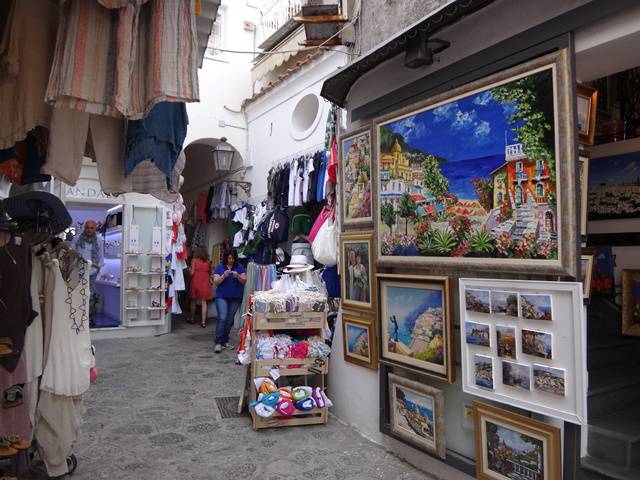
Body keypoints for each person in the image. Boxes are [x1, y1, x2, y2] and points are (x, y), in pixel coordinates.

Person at [212, 248, 246, 353]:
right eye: (229, 258)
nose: (231, 260)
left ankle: (224, 340)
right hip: (221, 296)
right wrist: (224, 276)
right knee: (222, 317)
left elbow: (244, 281)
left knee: (229, 320)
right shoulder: (220, 267)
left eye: (233, 258)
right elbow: (216, 282)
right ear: (226, 257)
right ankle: (218, 342)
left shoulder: (239, 267)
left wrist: (238, 276)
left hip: (235, 297)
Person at [71, 220, 104, 314]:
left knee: (90, 293)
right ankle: (78, 313)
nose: (89, 230)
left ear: (95, 229)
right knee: (79, 292)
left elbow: (101, 256)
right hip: (79, 271)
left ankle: (89, 314)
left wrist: (98, 268)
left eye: (91, 228)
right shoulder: (77, 238)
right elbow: (72, 253)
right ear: (84, 228)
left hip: (93, 271)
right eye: (87, 227)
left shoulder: (99, 240)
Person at [189, 247, 213, 327]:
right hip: (205, 283)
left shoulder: (194, 260)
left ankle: (192, 318)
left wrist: (189, 271)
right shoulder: (208, 262)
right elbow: (209, 273)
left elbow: (192, 273)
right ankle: (203, 322)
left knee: (193, 300)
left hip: (195, 281)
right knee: (204, 302)